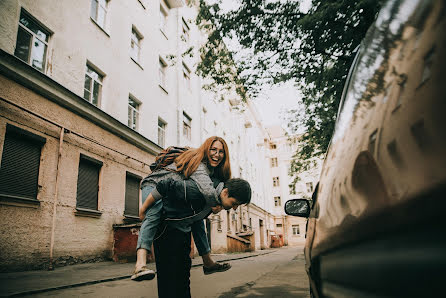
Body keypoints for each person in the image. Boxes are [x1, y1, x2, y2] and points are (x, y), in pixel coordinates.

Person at [131, 136, 231, 281]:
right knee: (153, 214)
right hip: (154, 184)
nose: (217, 154)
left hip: (167, 190)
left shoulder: (210, 170)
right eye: (213, 149)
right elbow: (208, 192)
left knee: (197, 219)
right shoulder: (200, 166)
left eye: (221, 151)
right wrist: (218, 204)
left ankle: (208, 262)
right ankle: (140, 265)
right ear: (206, 149)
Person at [153, 177, 251, 298]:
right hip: (167, 230)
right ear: (225, 192)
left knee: (182, 278)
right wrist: (146, 213)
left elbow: (197, 220)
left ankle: (207, 262)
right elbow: (165, 185)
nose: (235, 208)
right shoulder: (199, 191)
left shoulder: (212, 198)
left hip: (182, 232)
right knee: (169, 281)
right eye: (235, 203)